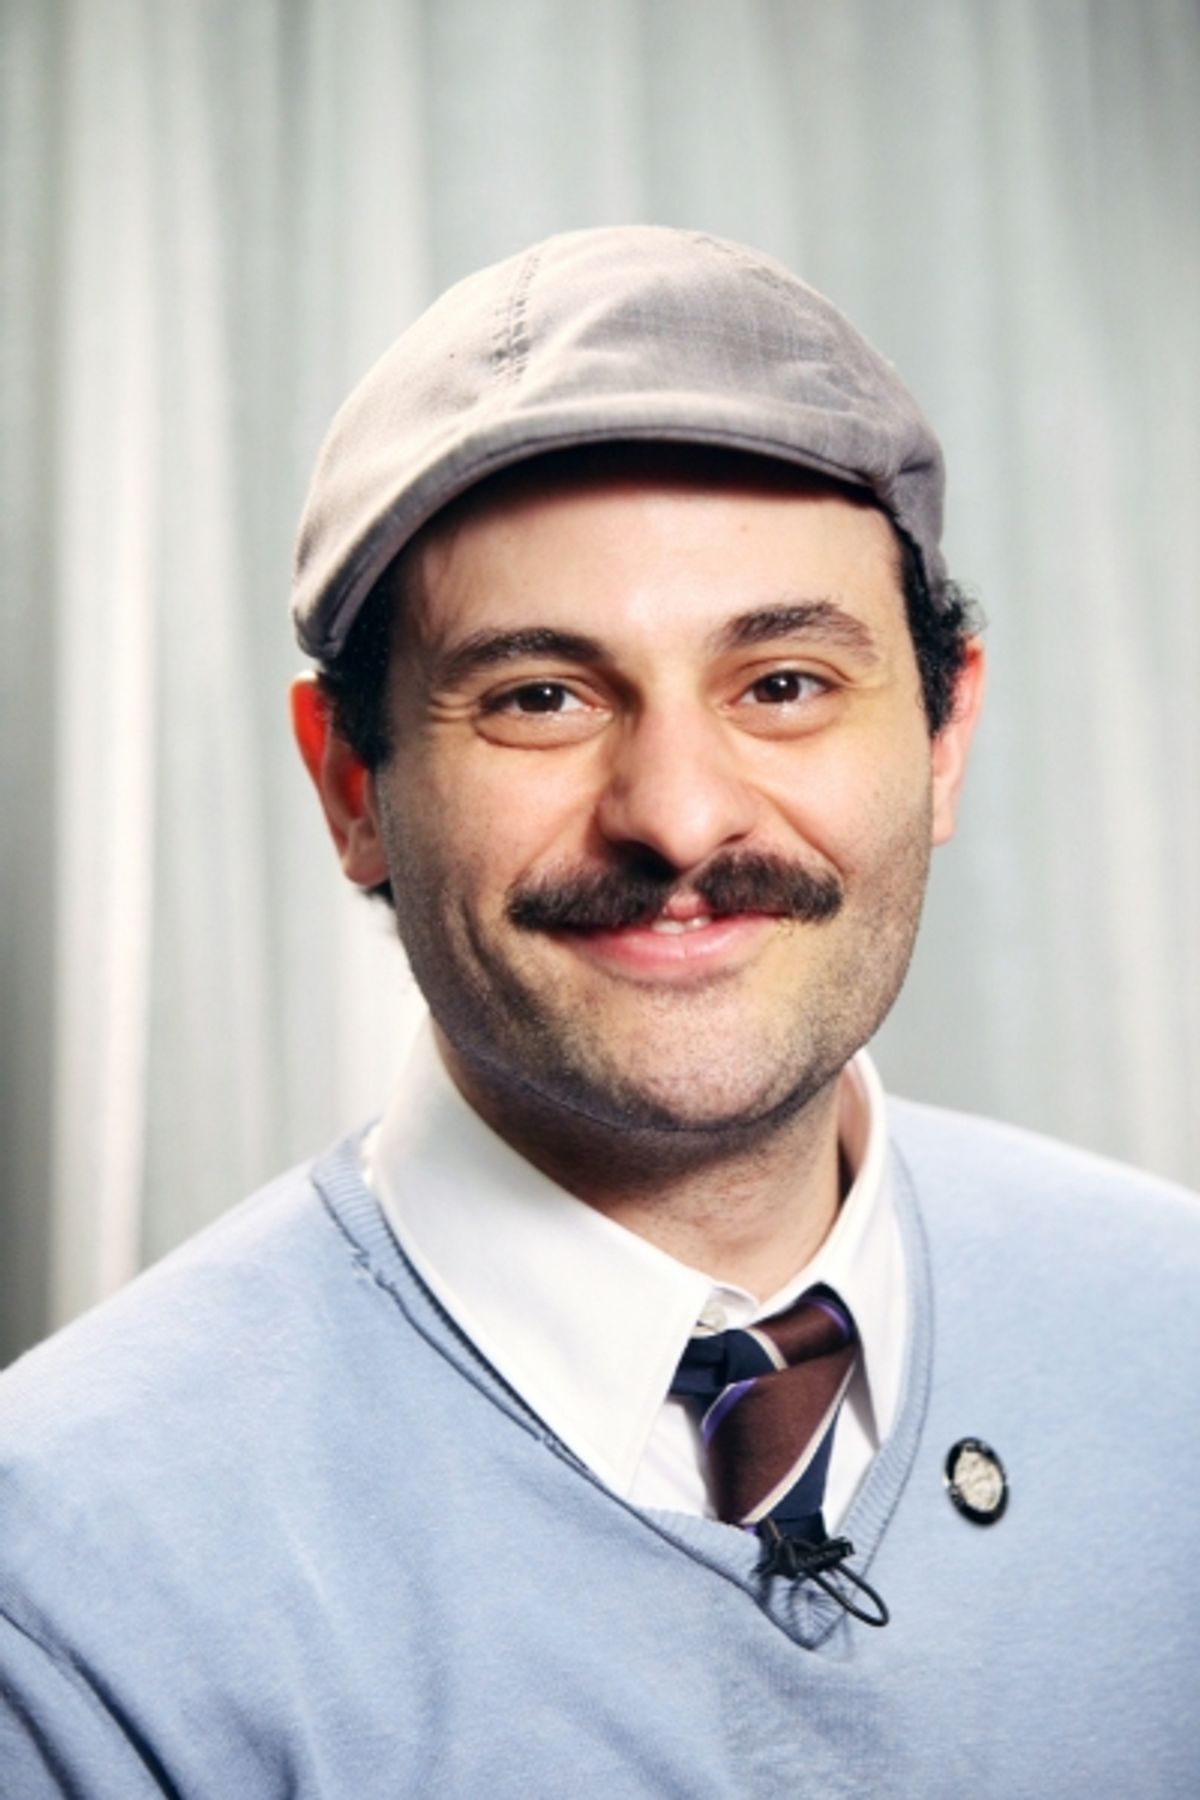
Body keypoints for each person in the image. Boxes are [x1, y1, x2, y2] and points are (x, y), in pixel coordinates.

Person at [1, 226, 1197, 1798]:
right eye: (539, 696)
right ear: (351, 785)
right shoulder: (65, 1591)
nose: (683, 820)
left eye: (782, 681)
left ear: (945, 733)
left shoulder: (1178, 1337)